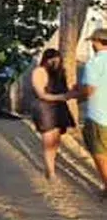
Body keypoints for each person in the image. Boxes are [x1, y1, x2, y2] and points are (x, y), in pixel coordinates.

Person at [31, 48, 76, 181]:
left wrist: (73, 92)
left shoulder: (60, 73)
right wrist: (63, 97)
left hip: (59, 108)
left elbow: (65, 91)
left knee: (56, 141)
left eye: (58, 60)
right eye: (53, 60)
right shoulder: (39, 72)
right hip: (45, 108)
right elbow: (41, 94)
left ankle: (52, 165)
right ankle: (50, 171)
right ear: (46, 59)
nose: (55, 63)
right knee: (48, 140)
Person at [78, 28, 107, 196]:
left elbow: (88, 90)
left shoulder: (94, 63)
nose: (92, 45)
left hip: (99, 116)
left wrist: (75, 96)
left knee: (100, 154)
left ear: (98, 42)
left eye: (93, 42)